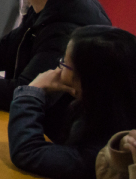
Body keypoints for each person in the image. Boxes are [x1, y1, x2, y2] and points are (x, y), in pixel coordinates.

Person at [8, 26, 136, 179]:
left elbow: (29, 153)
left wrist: (32, 92)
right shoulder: (101, 106)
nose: (58, 69)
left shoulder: (106, 149)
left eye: (65, 63)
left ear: (88, 80)